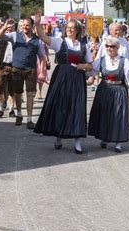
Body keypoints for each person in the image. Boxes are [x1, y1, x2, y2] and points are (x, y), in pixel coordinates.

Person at [34, 18, 93, 154]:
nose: (70, 30)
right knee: (61, 106)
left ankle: (77, 142)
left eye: (73, 28)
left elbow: (90, 65)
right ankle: (59, 136)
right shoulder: (59, 42)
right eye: (68, 28)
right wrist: (37, 24)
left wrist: (83, 65)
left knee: (77, 107)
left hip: (77, 78)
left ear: (77, 31)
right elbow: (42, 36)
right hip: (61, 77)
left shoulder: (84, 46)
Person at [88, 36, 129, 153]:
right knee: (104, 114)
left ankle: (118, 143)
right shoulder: (101, 59)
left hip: (119, 90)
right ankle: (104, 138)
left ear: (117, 48)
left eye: (112, 47)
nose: (110, 48)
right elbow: (93, 71)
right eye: (107, 46)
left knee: (118, 115)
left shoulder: (123, 61)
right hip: (104, 89)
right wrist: (86, 72)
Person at [0, 18, 46, 128]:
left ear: (32, 27)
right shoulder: (15, 35)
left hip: (31, 69)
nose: (25, 27)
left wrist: (41, 72)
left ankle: (29, 119)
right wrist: (5, 26)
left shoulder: (38, 40)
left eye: (27, 25)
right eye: (23, 25)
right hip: (17, 69)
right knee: (18, 93)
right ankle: (19, 114)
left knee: (30, 94)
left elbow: (42, 57)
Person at [0, 18, 15, 118]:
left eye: (11, 25)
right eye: (7, 26)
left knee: (12, 89)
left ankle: (11, 109)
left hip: (13, 66)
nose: (9, 27)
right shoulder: (0, 37)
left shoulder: (16, 36)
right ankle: (0, 107)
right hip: (1, 66)